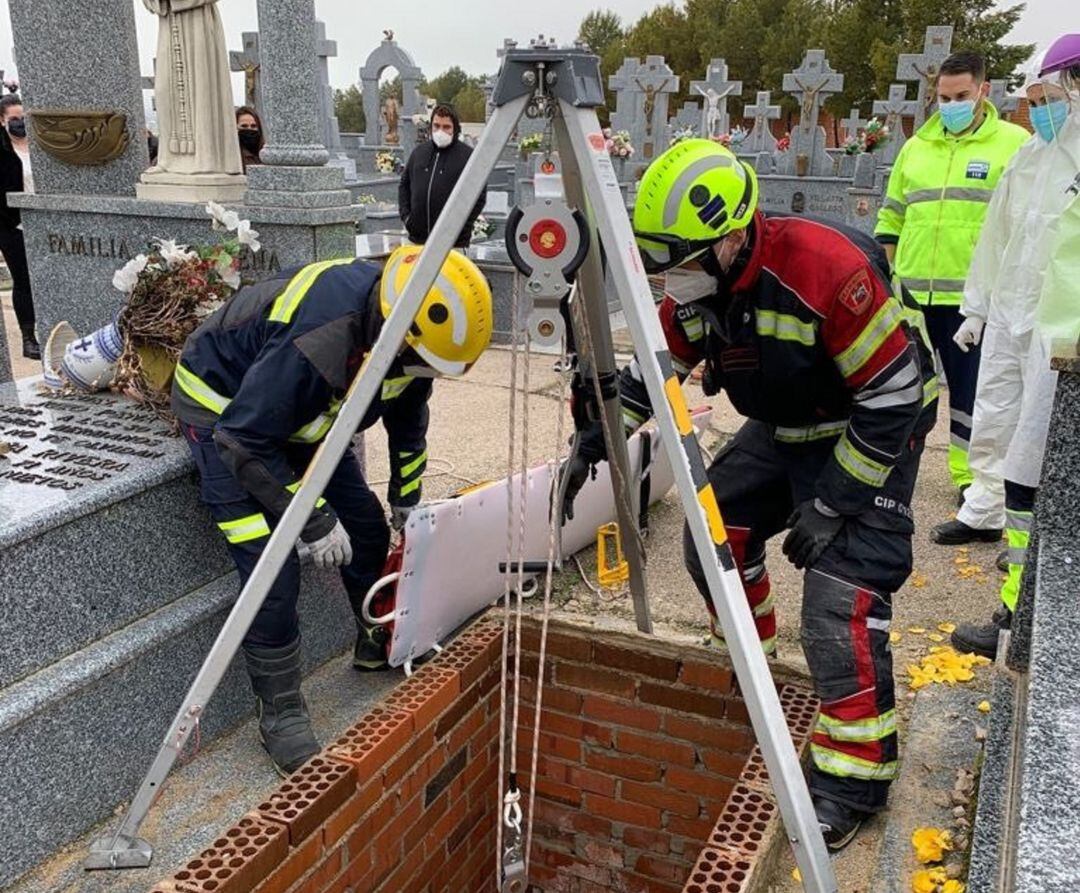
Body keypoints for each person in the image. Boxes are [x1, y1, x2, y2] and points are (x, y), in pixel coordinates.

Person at [562, 140, 938, 849]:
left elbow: (893, 398)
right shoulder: (706, 283)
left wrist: (831, 503)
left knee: (840, 597)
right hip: (789, 419)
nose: (672, 281)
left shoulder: (826, 269)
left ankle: (853, 781)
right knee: (714, 534)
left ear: (732, 234)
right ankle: (751, 654)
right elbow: (655, 368)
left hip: (873, 424)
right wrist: (600, 431)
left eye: (681, 262)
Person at [170, 246, 493, 774]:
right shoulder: (321, 338)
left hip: (303, 418)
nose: (422, 374)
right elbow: (245, 440)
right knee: (270, 561)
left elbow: (408, 427)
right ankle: (280, 712)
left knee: (365, 527)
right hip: (225, 415)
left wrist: (406, 503)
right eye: (421, 365)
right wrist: (314, 519)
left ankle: (377, 638)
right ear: (395, 330)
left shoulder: (411, 337)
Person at [950, 44, 1080, 658]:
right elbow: (997, 240)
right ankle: (995, 534)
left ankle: (1017, 611)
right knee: (995, 429)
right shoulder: (1030, 159)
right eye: (1036, 102)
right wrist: (977, 309)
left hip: (1060, 341)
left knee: (1034, 470)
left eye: (1052, 100)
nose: (1042, 112)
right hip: (1010, 319)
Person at [875, 52, 1029, 540]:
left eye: (961, 97)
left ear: (984, 91)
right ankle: (893, 469)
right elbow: (892, 215)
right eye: (943, 98)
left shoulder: (1013, 145)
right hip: (915, 294)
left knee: (974, 397)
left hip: (973, 302)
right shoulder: (917, 147)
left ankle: (971, 485)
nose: (952, 106)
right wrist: (892, 270)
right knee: (906, 390)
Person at [398, 104, 486, 249]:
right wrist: (407, 218)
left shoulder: (468, 157)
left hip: (453, 244)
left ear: (455, 128)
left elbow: (479, 196)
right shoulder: (419, 153)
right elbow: (404, 185)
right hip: (416, 240)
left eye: (446, 127)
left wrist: (462, 226)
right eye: (436, 126)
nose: (440, 131)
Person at [0, 94, 39, 359]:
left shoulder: (39, 145)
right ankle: (28, 337)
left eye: (23, 118)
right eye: (14, 119)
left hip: (45, 223)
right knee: (24, 281)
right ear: (2, 120)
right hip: (13, 226)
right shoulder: (2, 151)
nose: (19, 124)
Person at [236, 106, 264, 172]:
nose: (249, 129)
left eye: (253, 126)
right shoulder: (235, 156)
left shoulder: (265, 153)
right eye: (244, 126)